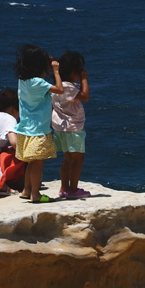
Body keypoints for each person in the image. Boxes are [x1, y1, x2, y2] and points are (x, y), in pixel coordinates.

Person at [13, 44, 62, 203]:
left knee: (30, 162)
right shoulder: (39, 83)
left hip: (26, 128)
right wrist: (55, 71)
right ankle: (35, 194)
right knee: (38, 164)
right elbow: (59, 89)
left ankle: (26, 190)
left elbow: (38, 80)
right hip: (38, 130)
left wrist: (45, 63)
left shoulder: (23, 81)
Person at [51, 51, 91, 199]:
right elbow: (85, 96)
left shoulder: (58, 85)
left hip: (60, 127)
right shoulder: (69, 87)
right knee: (78, 159)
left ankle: (64, 188)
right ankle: (73, 190)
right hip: (72, 128)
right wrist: (84, 79)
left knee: (68, 159)